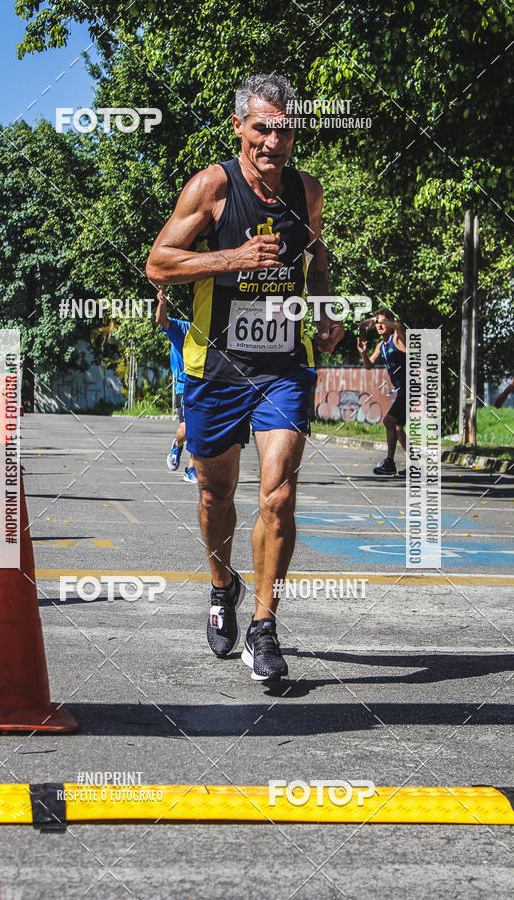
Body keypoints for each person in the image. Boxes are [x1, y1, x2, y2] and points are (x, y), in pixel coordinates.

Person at [146, 73, 344, 682]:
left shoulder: (306, 191)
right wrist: (231, 258)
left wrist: (324, 306)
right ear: (239, 127)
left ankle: (264, 627)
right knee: (216, 496)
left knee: (278, 493)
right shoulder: (212, 188)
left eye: (284, 131)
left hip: (285, 365)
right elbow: (158, 263)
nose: (272, 142)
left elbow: (315, 256)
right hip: (217, 367)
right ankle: (221, 584)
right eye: (262, 128)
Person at [357, 309, 407, 476]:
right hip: (402, 389)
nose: (379, 325)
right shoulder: (381, 346)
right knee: (397, 427)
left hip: (411, 386)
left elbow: (398, 325)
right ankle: (412, 465)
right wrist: (363, 352)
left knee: (389, 420)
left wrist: (374, 320)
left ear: (388, 323)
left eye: (382, 322)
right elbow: (369, 366)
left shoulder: (397, 338)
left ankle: (390, 462)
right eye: (377, 323)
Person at [155, 288, 197, 483]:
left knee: (198, 430)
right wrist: (162, 302)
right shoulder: (182, 328)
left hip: (204, 385)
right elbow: (161, 320)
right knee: (186, 430)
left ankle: (191, 469)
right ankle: (178, 444)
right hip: (184, 386)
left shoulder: (214, 334)